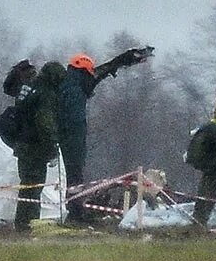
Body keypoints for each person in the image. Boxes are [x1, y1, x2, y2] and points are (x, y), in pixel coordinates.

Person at [57, 47, 153, 224]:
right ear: (83, 72)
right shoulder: (74, 91)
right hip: (71, 141)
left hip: (69, 139)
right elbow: (72, 122)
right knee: (73, 177)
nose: (91, 77)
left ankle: (75, 211)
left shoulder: (71, 83)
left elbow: (100, 73)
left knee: (73, 178)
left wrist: (121, 60)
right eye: (89, 73)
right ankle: (75, 213)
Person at [4, 61, 64, 231]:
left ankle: (23, 223)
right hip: (35, 148)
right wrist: (52, 149)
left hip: (23, 146)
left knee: (27, 188)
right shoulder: (46, 94)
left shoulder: (30, 90)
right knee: (33, 188)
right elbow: (45, 124)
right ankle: (28, 225)